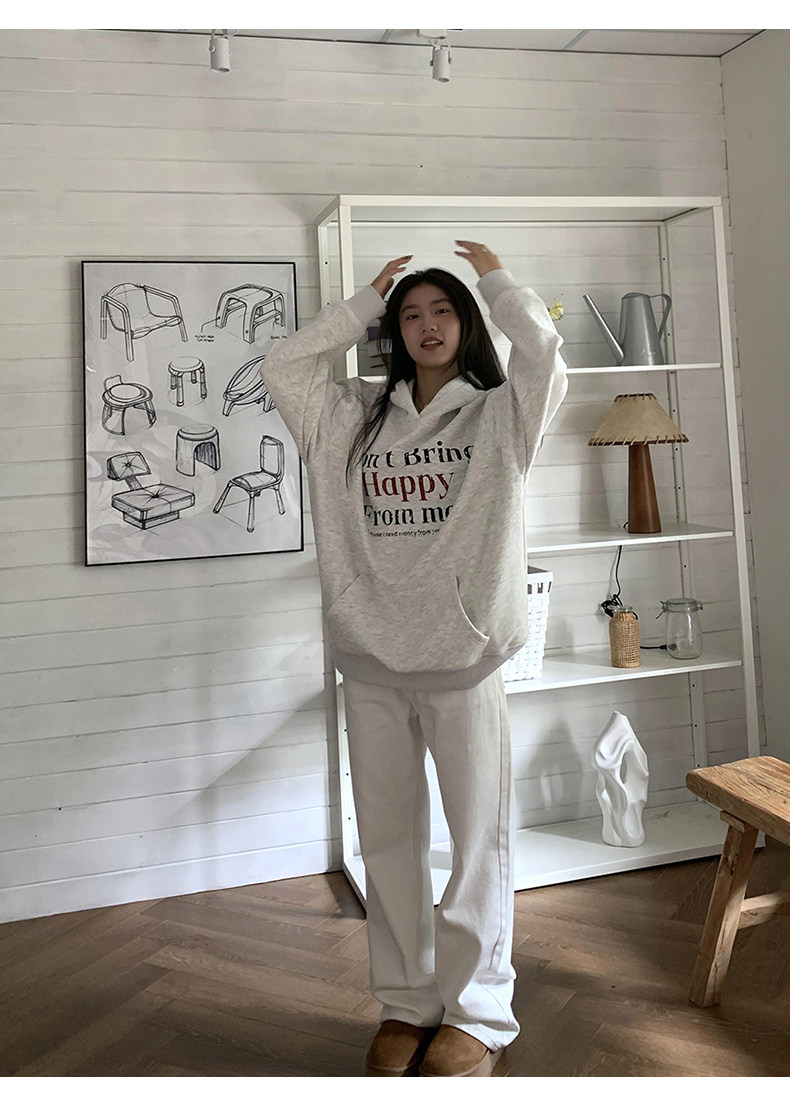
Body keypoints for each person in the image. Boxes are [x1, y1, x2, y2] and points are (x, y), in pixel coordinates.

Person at [260, 241, 568, 1077]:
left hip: (465, 660)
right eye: (410, 314)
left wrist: (498, 281)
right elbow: (282, 364)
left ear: (467, 323)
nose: (427, 325)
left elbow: (544, 349)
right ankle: (406, 1001)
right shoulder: (348, 416)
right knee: (388, 842)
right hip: (370, 659)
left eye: (443, 311)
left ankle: (478, 1011)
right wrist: (363, 301)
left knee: (476, 845)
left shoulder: (503, 413)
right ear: (392, 330)